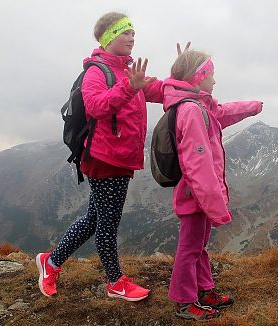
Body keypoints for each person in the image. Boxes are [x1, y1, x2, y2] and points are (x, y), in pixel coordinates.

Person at [36, 11, 189, 302]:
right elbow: (96, 106)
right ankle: (115, 282)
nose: (132, 37)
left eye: (133, 32)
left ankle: (50, 262)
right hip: (105, 160)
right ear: (108, 37)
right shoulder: (97, 72)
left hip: (119, 158)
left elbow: (161, 90)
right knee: (106, 225)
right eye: (125, 32)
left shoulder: (127, 71)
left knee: (94, 219)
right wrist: (129, 87)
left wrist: (181, 72)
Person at [162, 50, 263, 320]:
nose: (215, 81)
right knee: (189, 247)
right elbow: (198, 166)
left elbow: (223, 112)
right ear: (199, 77)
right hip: (196, 194)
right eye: (211, 75)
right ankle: (184, 302)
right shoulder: (192, 111)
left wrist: (253, 106)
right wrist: (215, 204)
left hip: (198, 195)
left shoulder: (200, 106)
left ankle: (204, 289)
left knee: (198, 245)